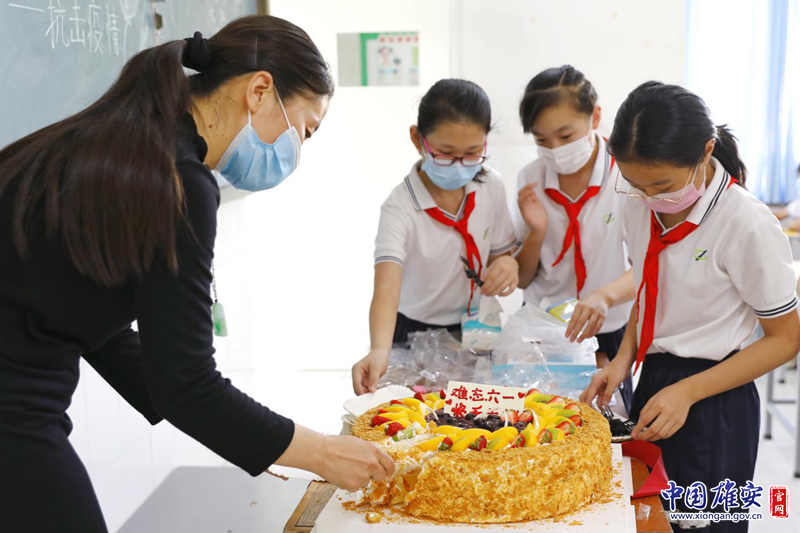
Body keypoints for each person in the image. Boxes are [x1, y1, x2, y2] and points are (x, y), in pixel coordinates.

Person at [0, 16, 393, 533]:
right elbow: (185, 383)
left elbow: (80, 307)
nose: (297, 149)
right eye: (305, 129)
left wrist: (252, 430)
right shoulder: (176, 177)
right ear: (259, 90)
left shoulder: (124, 141)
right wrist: (318, 452)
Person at [581, 81, 800, 533]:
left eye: (662, 185)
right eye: (636, 184)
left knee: (702, 524)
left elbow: (785, 340)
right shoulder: (638, 202)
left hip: (717, 396)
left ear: (706, 152)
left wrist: (689, 392)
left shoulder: (745, 223)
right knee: (648, 518)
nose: (649, 198)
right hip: (655, 382)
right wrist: (623, 359)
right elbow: (651, 286)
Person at [351, 79, 519, 395]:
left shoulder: (491, 186)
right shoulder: (400, 207)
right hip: (413, 332)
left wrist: (508, 265)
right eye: (445, 154)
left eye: (472, 153)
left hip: (475, 327)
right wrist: (379, 350)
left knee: (472, 413)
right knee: (419, 414)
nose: (459, 165)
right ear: (417, 138)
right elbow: (387, 287)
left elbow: (501, 254)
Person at [513, 66, 635, 411]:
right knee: (540, 423)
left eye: (565, 136)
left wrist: (604, 297)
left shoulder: (626, 175)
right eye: (541, 140)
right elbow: (522, 277)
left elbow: (649, 266)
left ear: (595, 117)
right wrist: (536, 232)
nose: (555, 150)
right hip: (543, 330)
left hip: (608, 325)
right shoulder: (530, 178)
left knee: (606, 423)